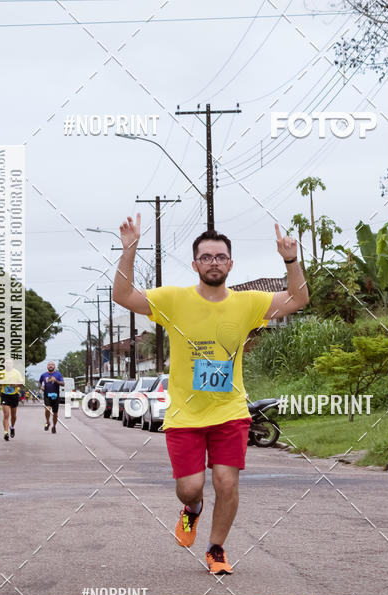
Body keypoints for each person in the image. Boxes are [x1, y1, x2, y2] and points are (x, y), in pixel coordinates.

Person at [113, 215, 308, 575]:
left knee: (226, 482)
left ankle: (216, 549)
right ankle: (192, 511)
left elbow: (298, 298)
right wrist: (129, 250)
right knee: (190, 488)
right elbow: (123, 295)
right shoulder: (172, 299)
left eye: (220, 257)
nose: (213, 262)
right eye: (206, 257)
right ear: (195, 264)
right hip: (185, 416)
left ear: (231, 263)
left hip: (229, 411)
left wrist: (291, 260)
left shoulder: (248, 303)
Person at [0, 361, 24, 442]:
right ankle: (5, 432)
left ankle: (12, 427)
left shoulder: (16, 372)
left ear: (12, 364)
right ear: (4, 364)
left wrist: (15, 385)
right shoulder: (1, 372)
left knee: (13, 415)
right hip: (5, 395)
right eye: (6, 363)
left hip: (14, 395)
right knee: (6, 414)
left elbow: (22, 383)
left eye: (9, 363)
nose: (8, 364)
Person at [39, 361, 64, 433]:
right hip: (47, 395)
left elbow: (63, 384)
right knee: (47, 408)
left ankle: (54, 426)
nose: (50, 366)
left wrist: (56, 381)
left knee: (55, 413)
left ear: (54, 367)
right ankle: (47, 421)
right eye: (49, 365)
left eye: (52, 365)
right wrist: (41, 387)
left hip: (55, 396)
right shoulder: (43, 375)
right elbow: (40, 382)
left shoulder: (58, 374)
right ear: (47, 367)